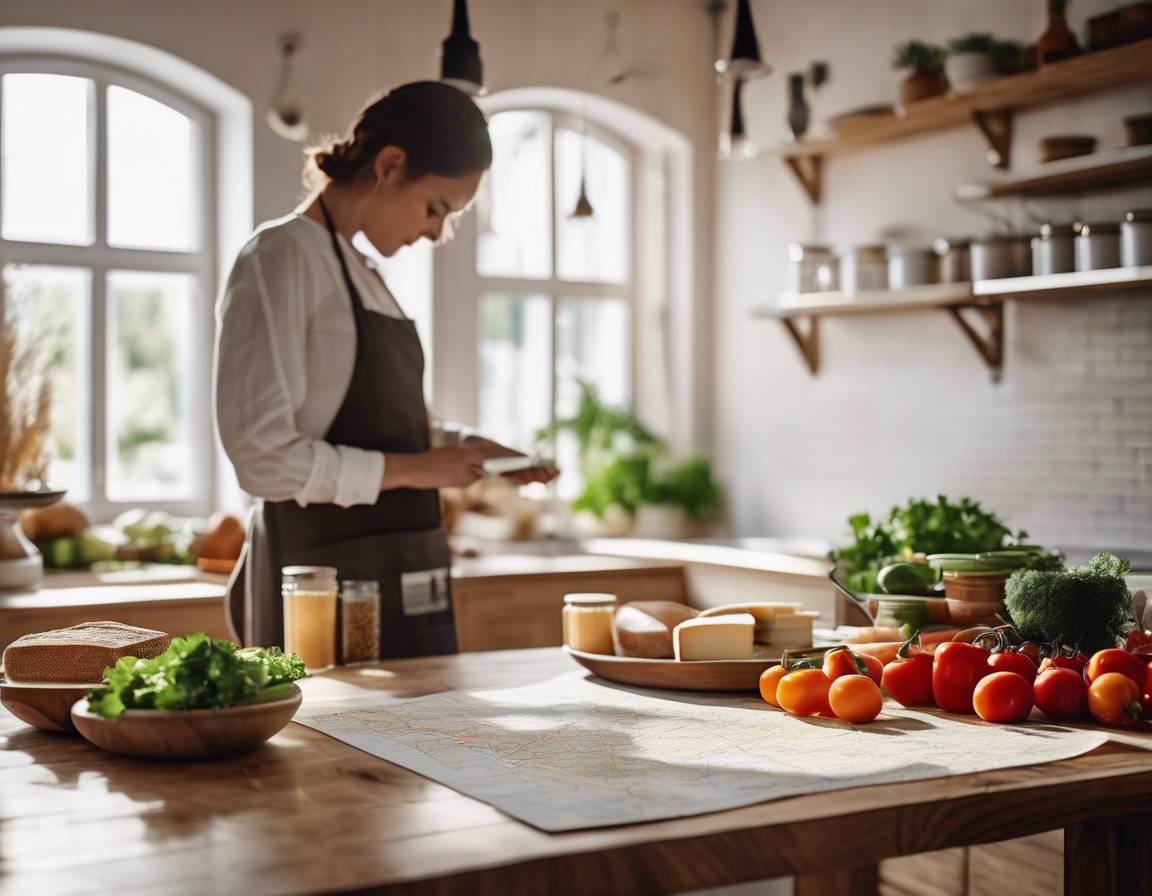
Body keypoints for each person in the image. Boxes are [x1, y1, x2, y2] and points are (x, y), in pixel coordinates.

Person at [215, 81, 555, 657]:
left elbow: (391, 425)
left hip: (403, 566)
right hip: (320, 578)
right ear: (390, 165)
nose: (435, 232)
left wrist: (470, 448)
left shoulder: (364, 272)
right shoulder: (281, 256)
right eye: (435, 208)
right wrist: (416, 469)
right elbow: (262, 458)